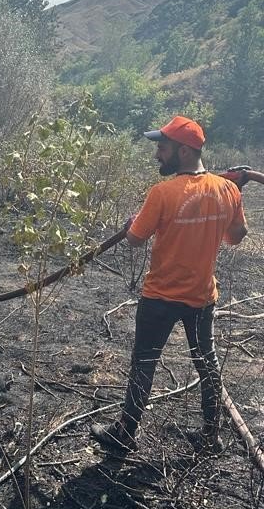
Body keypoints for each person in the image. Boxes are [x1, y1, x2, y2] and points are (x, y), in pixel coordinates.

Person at [91, 116, 247, 456]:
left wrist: (131, 224)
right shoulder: (228, 190)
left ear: (185, 151)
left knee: (144, 363)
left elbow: (134, 239)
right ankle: (211, 437)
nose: (157, 155)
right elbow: (237, 237)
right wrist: (227, 204)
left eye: (162, 148)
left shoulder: (162, 193)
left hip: (160, 298)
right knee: (207, 364)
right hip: (202, 298)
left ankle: (125, 433)